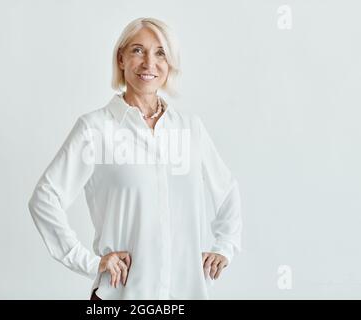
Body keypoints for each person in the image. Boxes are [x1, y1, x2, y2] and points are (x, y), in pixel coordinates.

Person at [28, 17, 242, 300]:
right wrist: (89, 262)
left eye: (160, 53)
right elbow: (45, 197)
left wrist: (225, 246)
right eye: (138, 50)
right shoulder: (95, 129)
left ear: (170, 63)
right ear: (121, 59)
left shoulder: (190, 129)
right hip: (120, 296)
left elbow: (227, 192)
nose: (149, 63)